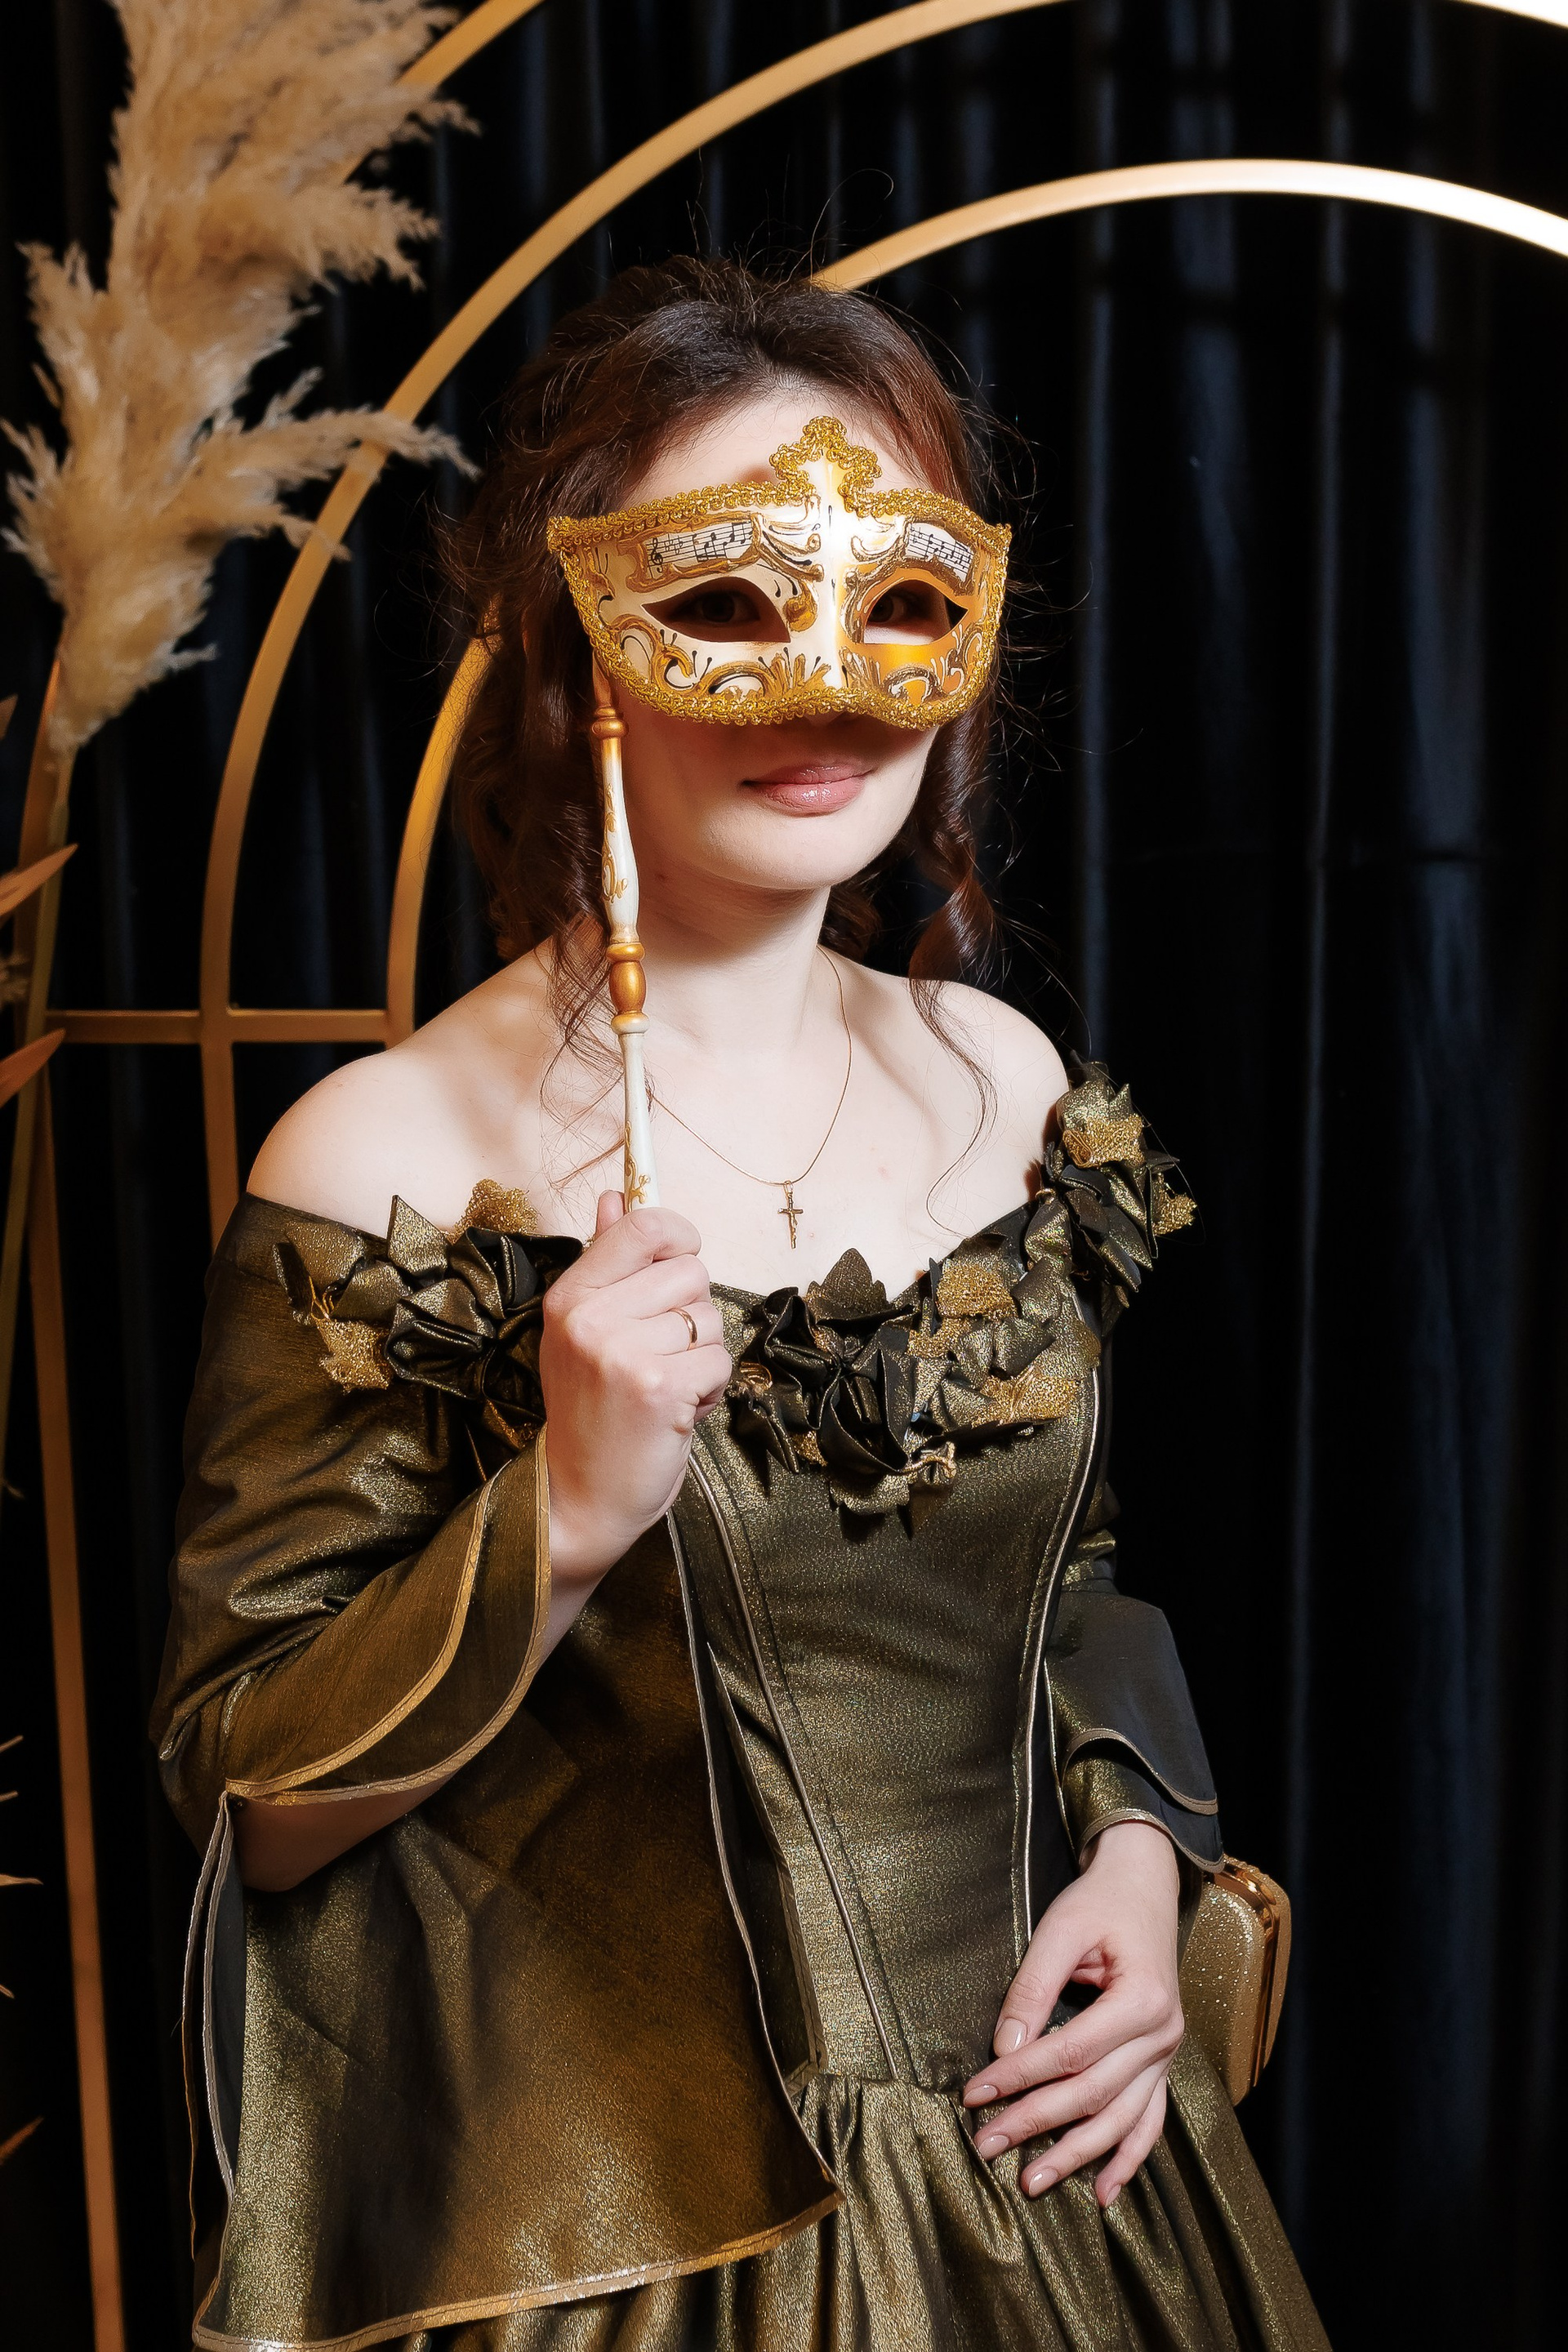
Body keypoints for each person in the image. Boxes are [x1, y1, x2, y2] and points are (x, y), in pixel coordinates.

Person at [153, 257, 1328, 2352]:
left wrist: (1141, 1863)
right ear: (571, 652)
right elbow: (244, 1797)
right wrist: (564, 1515)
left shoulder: (1001, 1082)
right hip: (639, 2247)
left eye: (900, 605)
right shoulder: (385, 1157)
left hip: (1058, 2182)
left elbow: (1065, 1583)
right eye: (725, 603)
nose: (830, 697)